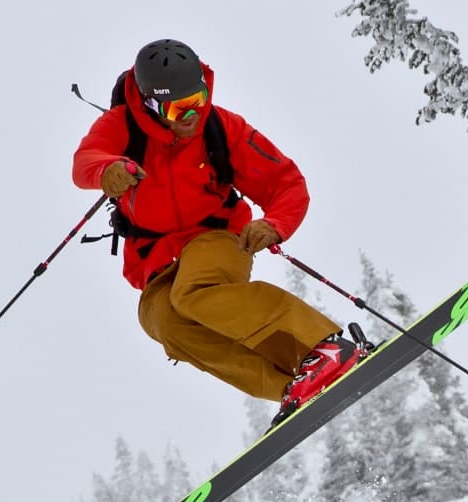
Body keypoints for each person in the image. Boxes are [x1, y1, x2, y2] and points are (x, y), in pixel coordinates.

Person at [73, 39, 366, 425]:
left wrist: (273, 224)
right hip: (156, 257)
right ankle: (292, 384)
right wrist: (107, 170)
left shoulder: (221, 128)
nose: (192, 113)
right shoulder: (121, 127)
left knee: (196, 292)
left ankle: (323, 348)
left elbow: (286, 183)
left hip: (218, 235)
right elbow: (86, 162)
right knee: (164, 322)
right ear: (149, 104)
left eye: (198, 98)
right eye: (179, 107)